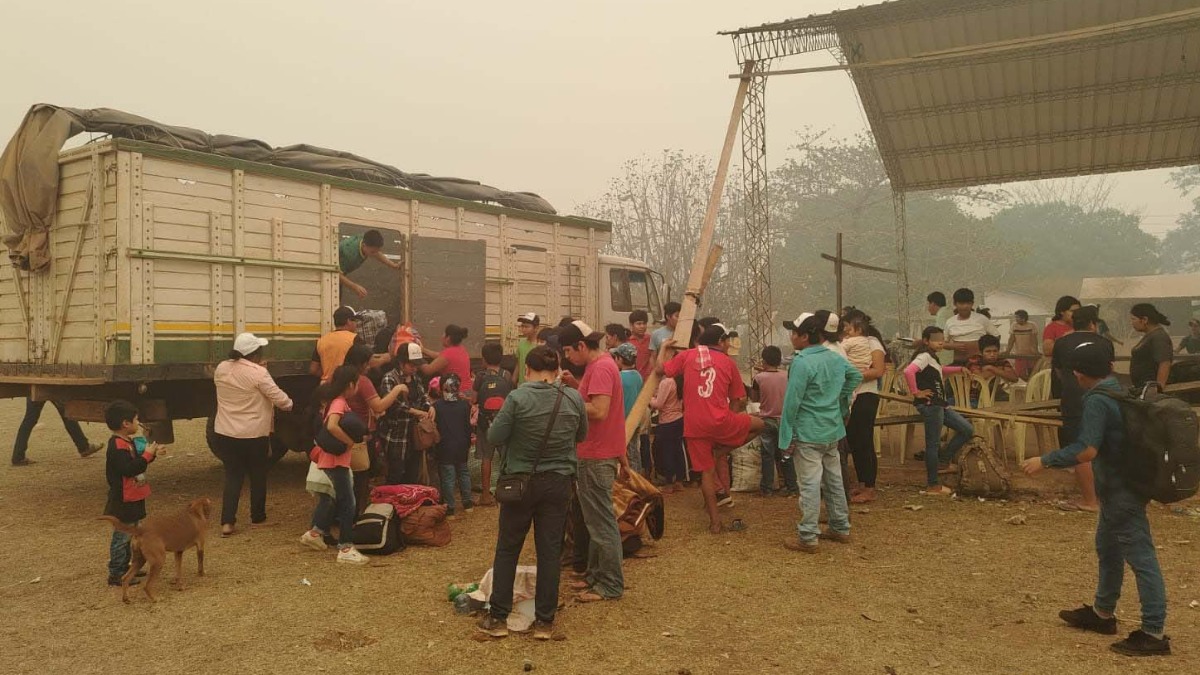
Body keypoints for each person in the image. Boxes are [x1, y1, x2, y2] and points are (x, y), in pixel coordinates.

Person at [1021, 341, 1172, 657]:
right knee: (1108, 548)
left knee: (1141, 558)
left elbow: (1087, 449)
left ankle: (1153, 632)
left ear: (1077, 373)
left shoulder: (1097, 402)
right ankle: (1103, 613)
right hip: (1122, 488)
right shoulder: (1119, 389)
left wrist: (1045, 460)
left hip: (1121, 492)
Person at [476, 346, 588, 640]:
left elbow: (495, 436)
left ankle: (498, 619)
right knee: (550, 551)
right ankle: (545, 623)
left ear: (527, 369)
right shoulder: (573, 397)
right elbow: (582, 435)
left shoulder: (518, 397)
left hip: (520, 483)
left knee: (508, 548)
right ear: (557, 368)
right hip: (559, 482)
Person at [658, 323, 765, 534]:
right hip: (720, 420)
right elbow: (739, 398)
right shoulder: (727, 362)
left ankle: (715, 523)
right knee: (762, 424)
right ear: (720, 342)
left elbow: (660, 369)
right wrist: (731, 421)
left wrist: (663, 347)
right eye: (726, 342)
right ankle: (721, 451)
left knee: (706, 473)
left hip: (693, 424)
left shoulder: (688, 356)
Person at [777, 311, 862, 554]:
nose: (792, 336)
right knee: (834, 480)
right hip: (832, 429)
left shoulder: (802, 362)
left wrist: (785, 438)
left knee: (810, 485)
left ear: (805, 336)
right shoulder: (833, 356)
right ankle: (840, 527)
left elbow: (792, 403)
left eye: (794, 332)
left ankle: (808, 536)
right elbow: (855, 375)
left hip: (808, 432)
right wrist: (841, 401)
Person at [559, 320, 627, 602]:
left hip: (596, 455)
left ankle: (609, 584)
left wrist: (565, 402)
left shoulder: (600, 368)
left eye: (568, 351)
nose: (567, 357)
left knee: (601, 524)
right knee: (595, 521)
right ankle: (596, 576)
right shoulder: (600, 365)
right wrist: (574, 388)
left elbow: (599, 410)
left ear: (581, 346)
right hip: (595, 452)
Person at [212, 332, 294, 536]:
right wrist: (263, 372)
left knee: (233, 475)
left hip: (225, 431)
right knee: (258, 474)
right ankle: (257, 516)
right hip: (253, 434)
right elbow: (282, 401)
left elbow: (241, 376)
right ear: (256, 354)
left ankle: (227, 522)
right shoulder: (259, 373)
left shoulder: (221, 368)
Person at [299, 365, 369, 565]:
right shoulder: (339, 402)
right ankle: (346, 547)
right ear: (350, 384)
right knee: (349, 503)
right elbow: (332, 425)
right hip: (336, 461)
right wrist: (349, 441)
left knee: (336, 498)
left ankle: (315, 533)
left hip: (331, 459)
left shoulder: (332, 400)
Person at [1049, 305, 1107, 513]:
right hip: (1103, 396)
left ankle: (1090, 501)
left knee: (1080, 446)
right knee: (1104, 445)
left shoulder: (1062, 343)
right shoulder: (1105, 342)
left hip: (1073, 397)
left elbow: (1057, 372)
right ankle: (1107, 497)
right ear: (1093, 323)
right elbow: (1108, 370)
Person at [904, 326, 974, 495]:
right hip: (931, 405)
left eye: (942, 338)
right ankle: (932, 484)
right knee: (932, 445)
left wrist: (959, 369)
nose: (940, 342)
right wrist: (916, 392)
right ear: (926, 341)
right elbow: (908, 371)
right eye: (935, 339)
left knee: (967, 429)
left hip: (939, 404)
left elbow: (940, 370)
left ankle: (943, 460)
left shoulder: (932, 358)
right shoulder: (924, 356)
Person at [343, 344, 407, 510]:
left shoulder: (339, 375)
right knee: (362, 476)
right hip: (362, 434)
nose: (371, 365)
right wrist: (397, 389)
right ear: (362, 363)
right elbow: (379, 406)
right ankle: (358, 512)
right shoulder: (362, 381)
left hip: (342, 431)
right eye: (369, 361)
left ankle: (342, 512)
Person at [103, 400, 158, 586]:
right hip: (123, 500)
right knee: (122, 537)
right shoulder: (117, 446)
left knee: (132, 532)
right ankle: (117, 572)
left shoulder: (127, 442)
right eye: (136, 420)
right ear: (125, 423)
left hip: (133, 496)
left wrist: (152, 454)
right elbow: (129, 469)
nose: (138, 423)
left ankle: (129, 566)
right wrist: (147, 456)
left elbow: (138, 462)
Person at [840, 309, 887, 504]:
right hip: (853, 395)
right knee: (855, 440)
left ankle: (869, 486)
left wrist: (853, 375)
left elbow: (878, 370)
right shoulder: (851, 343)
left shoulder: (872, 342)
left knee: (864, 441)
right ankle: (862, 483)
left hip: (866, 394)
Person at [377, 343, 429, 485]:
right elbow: (392, 404)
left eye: (416, 365)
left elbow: (423, 396)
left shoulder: (416, 378)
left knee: (412, 473)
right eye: (411, 365)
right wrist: (414, 411)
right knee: (395, 473)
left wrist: (429, 407)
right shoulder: (390, 379)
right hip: (396, 435)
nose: (414, 368)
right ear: (401, 362)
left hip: (414, 435)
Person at [751, 345, 796, 497]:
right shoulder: (787, 375)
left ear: (764, 361)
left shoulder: (758, 378)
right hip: (785, 420)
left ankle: (767, 488)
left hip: (767, 419)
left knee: (767, 455)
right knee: (786, 455)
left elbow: (755, 398)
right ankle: (792, 487)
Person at [475, 342, 514, 506]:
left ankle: (485, 495)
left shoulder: (480, 376)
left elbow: (474, 399)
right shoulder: (506, 375)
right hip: (504, 423)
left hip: (485, 424)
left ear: (484, 359)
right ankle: (508, 489)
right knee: (507, 457)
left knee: (486, 458)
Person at [11, 397, 102, 466]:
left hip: (37, 381)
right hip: (51, 383)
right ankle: (83, 447)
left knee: (29, 420)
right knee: (67, 415)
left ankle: (18, 456)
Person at [433, 374, 473, 517]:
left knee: (448, 478)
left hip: (445, 446)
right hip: (462, 443)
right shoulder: (464, 405)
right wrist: (468, 442)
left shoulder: (437, 406)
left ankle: (450, 508)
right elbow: (467, 427)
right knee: (463, 473)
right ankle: (467, 503)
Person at [650, 369, 687, 494]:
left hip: (667, 421)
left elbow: (659, 404)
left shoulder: (667, 382)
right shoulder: (681, 381)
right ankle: (679, 482)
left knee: (667, 452)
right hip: (679, 419)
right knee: (677, 451)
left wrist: (649, 399)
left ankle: (668, 484)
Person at [338, 229, 400, 299]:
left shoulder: (365, 240)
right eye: (372, 252)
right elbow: (336, 275)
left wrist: (393, 265)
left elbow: (377, 253)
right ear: (364, 245)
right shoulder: (350, 255)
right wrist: (354, 287)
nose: (374, 254)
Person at [612, 342, 644, 474]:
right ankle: (637, 476)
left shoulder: (618, 378)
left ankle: (632, 480)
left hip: (622, 422)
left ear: (620, 359)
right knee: (634, 451)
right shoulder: (638, 376)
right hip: (636, 420)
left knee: (624, 454)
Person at [943, 288, 999, 363]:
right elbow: (943, 343)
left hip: (980, 363)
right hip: (959, 362)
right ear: (955, 304)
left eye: (968, 303)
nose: (965, 306)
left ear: (972, 303)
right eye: (962, 303)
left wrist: (987, 350)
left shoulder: (981, 319)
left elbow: (996, 336)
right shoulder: (950, 322)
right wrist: (953, 346)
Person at [310, 306, 362, 382]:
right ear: (348, 321)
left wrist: (329, 376)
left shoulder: (322, 340)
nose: (356, 324)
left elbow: (313, 370)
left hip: (326, 385)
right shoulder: (355, 339)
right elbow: (363, 365)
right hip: (345, 384)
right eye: (355, 321)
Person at [420, 324, 474, 397]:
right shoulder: (461, 349)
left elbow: (427, 370)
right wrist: (423, 350)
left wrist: (415, 354)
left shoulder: (448, 354)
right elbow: (439, 356)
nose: (442, 336)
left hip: (458, 393)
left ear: (448, 338)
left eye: (444, 334)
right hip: (468, 391)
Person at [1129, 303, 1173, 390]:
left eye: (1133, 319)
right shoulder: (1150, 335)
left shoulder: (1159, 336)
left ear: (1144, 319)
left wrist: (1158, 389)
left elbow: (1164, 363)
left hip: (1150, 389)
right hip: (1142, 387)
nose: (1132, 323)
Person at [967, 334, 1019, 403]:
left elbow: (1014, 378)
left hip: (996, 395)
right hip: (976, 396)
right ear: (981, 352)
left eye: (995, 351)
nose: (992, 354)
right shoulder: (975, 360)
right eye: (988, 351)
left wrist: (991, 368)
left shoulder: (1001, 361)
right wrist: (1000, 371)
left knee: (1016, 399)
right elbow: (979, 377)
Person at [1006, 309, 1040, 379]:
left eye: (1017, 317)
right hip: (1019, 354)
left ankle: (1031, 386)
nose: (1016, 319)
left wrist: (1036, 351)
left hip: (1031, 354)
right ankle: (1029, 384)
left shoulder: (1032, 325)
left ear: (1023, 318)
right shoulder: (1014, 325)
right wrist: (1007, 351)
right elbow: (1011, 340)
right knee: (1020, 373)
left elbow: (1034, 340)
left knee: (1033, 372)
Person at [649, 301, 681, 369]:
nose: (680, 319)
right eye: (677, 316)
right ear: (668, 316)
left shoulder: (685, 334)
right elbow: (653, 357)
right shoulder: (656, 334)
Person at [513, 313, 540, 385]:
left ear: (536, 328)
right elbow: (518, 364)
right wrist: (513, 380)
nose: (523, 329)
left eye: (527, 327)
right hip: (522, 385)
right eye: (522, 326)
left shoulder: (540, 345)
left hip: (535, 386)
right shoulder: (521, 343)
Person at [628, 310, 653, 378]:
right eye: (638, 324)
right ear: (631, 325)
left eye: (644, 323)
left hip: (649, 379)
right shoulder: (627, 342)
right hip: (633, 379)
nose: (642, 326)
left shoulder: (651, 339)